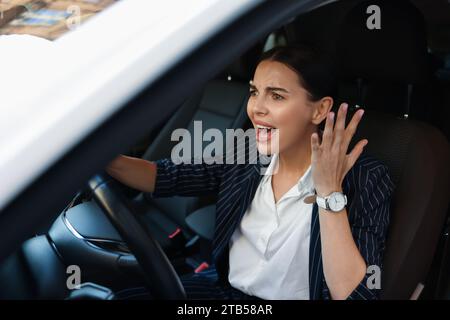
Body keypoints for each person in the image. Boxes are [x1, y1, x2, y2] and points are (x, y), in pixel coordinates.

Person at [107, 45, 395, 300]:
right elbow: (165, 176)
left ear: (320, 110)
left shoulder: (364, 177)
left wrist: (329, 191)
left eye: (277, 96)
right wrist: (99, 158)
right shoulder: (247, 153)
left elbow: (356, 295)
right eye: (254, 92)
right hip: (224, 291)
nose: (256, 108)